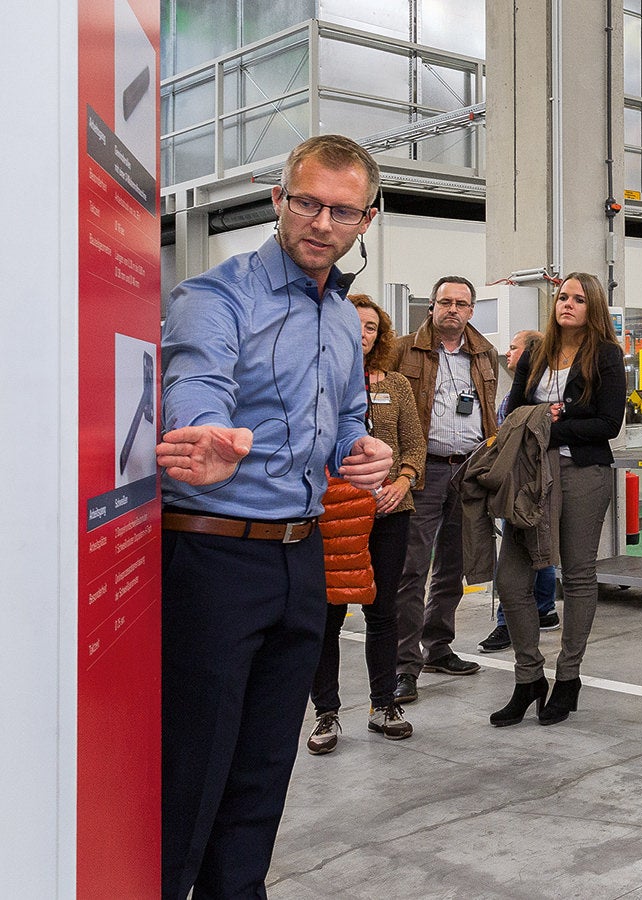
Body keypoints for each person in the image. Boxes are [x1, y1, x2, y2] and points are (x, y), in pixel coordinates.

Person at [157, 134, 393, 898]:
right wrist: (207, 435)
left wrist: (366, 447)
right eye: (308, 202)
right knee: (192, 770)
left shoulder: (337, 316)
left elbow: (350, 409)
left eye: (343, 210)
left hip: (301, 556)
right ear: (277, 201)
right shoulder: (215, 296)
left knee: (263, 767)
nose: (322, 222)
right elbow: (197, 379)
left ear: (366, 218)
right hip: (215, 558)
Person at [491, 273, 627, 727]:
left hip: (582, 473)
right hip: (529, 475)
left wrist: (553, 422)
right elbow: (512, 410)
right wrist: (539, 419)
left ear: (594, 309)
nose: (567, 304)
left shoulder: (606, 354)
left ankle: (568, 678)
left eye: (578, 299)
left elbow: (608, 423)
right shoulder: (535, 352)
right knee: (511, 578)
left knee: (578, 574)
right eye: (563, 297)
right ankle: (529, 676)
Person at [306, 294, 425, 754]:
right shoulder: (319, 380)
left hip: (388, 512)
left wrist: (404, 482)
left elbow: (414, 446)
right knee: (328, 613)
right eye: (354, 323)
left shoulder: (395, 384)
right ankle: (327, 714)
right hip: (332, 514)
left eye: (371, 327)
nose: (362, 333)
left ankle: (384, 705)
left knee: (383, 611)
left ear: (381, 335)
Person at [392, 275, 500, 703]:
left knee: (455, 565)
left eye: (461, 303)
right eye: (445, 302)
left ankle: (438, 646)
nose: (453, 309)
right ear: (431, 307)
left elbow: (490, 413)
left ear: (471, 310)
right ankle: (405, 664)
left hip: (470, 471)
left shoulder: (485, 354)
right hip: (423, 471)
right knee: (412, 568)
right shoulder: (404, 349)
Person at [480, 328, 558, 655]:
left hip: (526, 482)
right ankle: (543, 608)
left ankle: (505, 623)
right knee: (535, 546)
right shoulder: (518, 392)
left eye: (514, 349)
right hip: (522, 480)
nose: (508, 354)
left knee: (517, 554)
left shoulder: (534, 395)